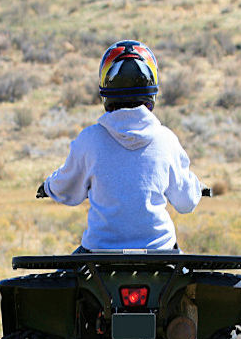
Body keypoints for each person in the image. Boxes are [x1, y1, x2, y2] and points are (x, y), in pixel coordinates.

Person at [37, 40, 205, 253]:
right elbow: (186, 202)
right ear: (152, 87)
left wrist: (49, 186)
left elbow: (67, 189)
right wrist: (196, 187)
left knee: (66, 281)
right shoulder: (166, 140)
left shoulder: (90, 139)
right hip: (159, 254)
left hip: (99, 255)